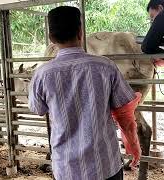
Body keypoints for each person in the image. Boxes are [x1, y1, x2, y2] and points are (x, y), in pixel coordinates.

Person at [28, 6, 141, 180]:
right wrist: (133, 145)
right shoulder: (106, 66)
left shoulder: (42, 74)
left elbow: (38, 109)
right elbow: (124, 114)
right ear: (81, 32)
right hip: (106, 166)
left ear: (52, 38)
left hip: (67, 169)